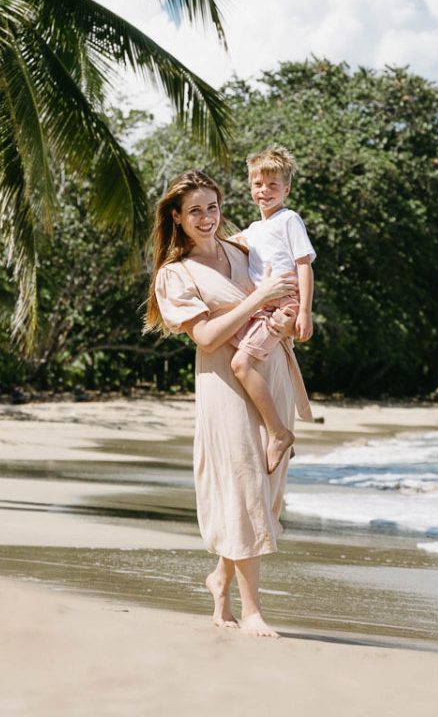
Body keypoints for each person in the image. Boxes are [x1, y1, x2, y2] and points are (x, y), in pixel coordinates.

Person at [144, 169, 314, 638]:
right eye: (195, 211)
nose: (206, 218)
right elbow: (206, 336)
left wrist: (287, 317)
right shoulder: (175, 274)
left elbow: (288, 287)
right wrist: (257, 300)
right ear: (177, 217)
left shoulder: (244, 249)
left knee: (265, 490)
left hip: (271, 376)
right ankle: (252, 609)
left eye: (213, 207)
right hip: (225, 386)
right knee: (243, 486)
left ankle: (220, 579)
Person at [228, 146, 315, 476]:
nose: (264, 191)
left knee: (241, 363)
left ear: (286, 189)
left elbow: (304, 265)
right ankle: (277, 430)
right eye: (257, 184)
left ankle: (279, 433)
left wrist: (304, 311)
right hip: (261, 306)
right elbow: (225, 245)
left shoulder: (289, 220)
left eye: (272, 185)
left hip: (284, 304)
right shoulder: (253, 229)